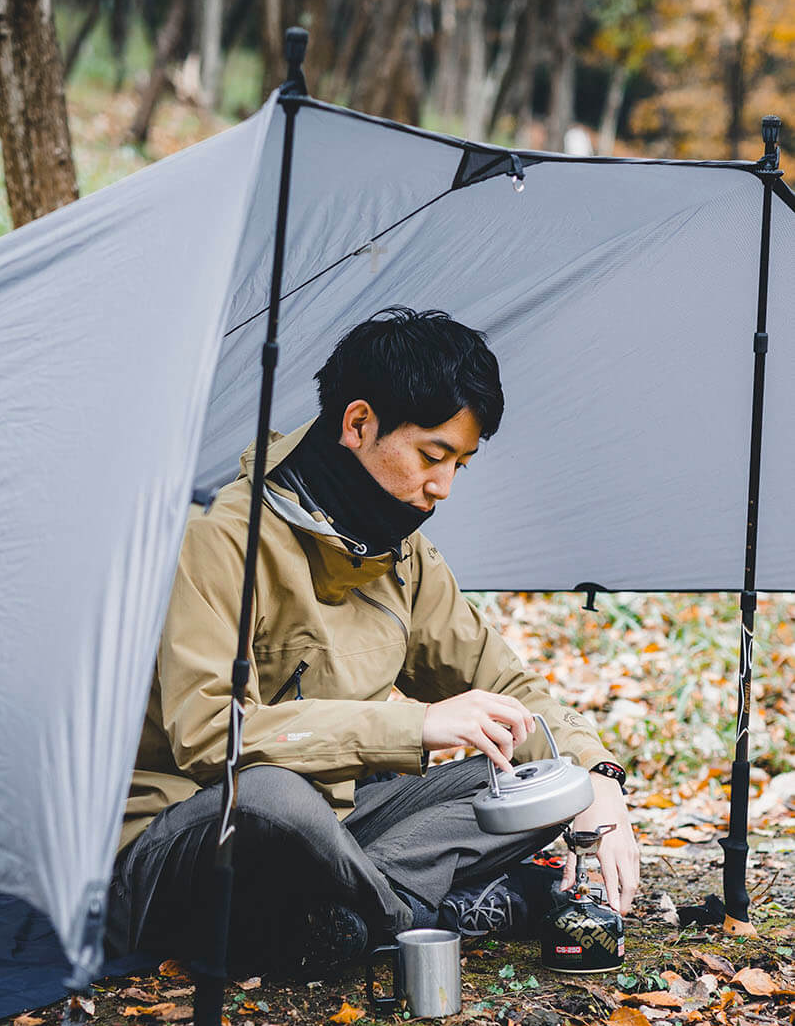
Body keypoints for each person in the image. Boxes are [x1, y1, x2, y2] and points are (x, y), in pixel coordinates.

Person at [106, 307, 639, 973]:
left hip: (342, 830)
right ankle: (410, 915)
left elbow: (509, 690)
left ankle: (348, 921)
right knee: (275, 796)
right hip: (196, 837)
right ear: (358, 424)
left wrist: (597, 778)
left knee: (538, 780)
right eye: (432, 456)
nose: (441, 487)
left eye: (459, 466)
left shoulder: (404, 556)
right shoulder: (219, 539)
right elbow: (213, 735)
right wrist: (410, 726)